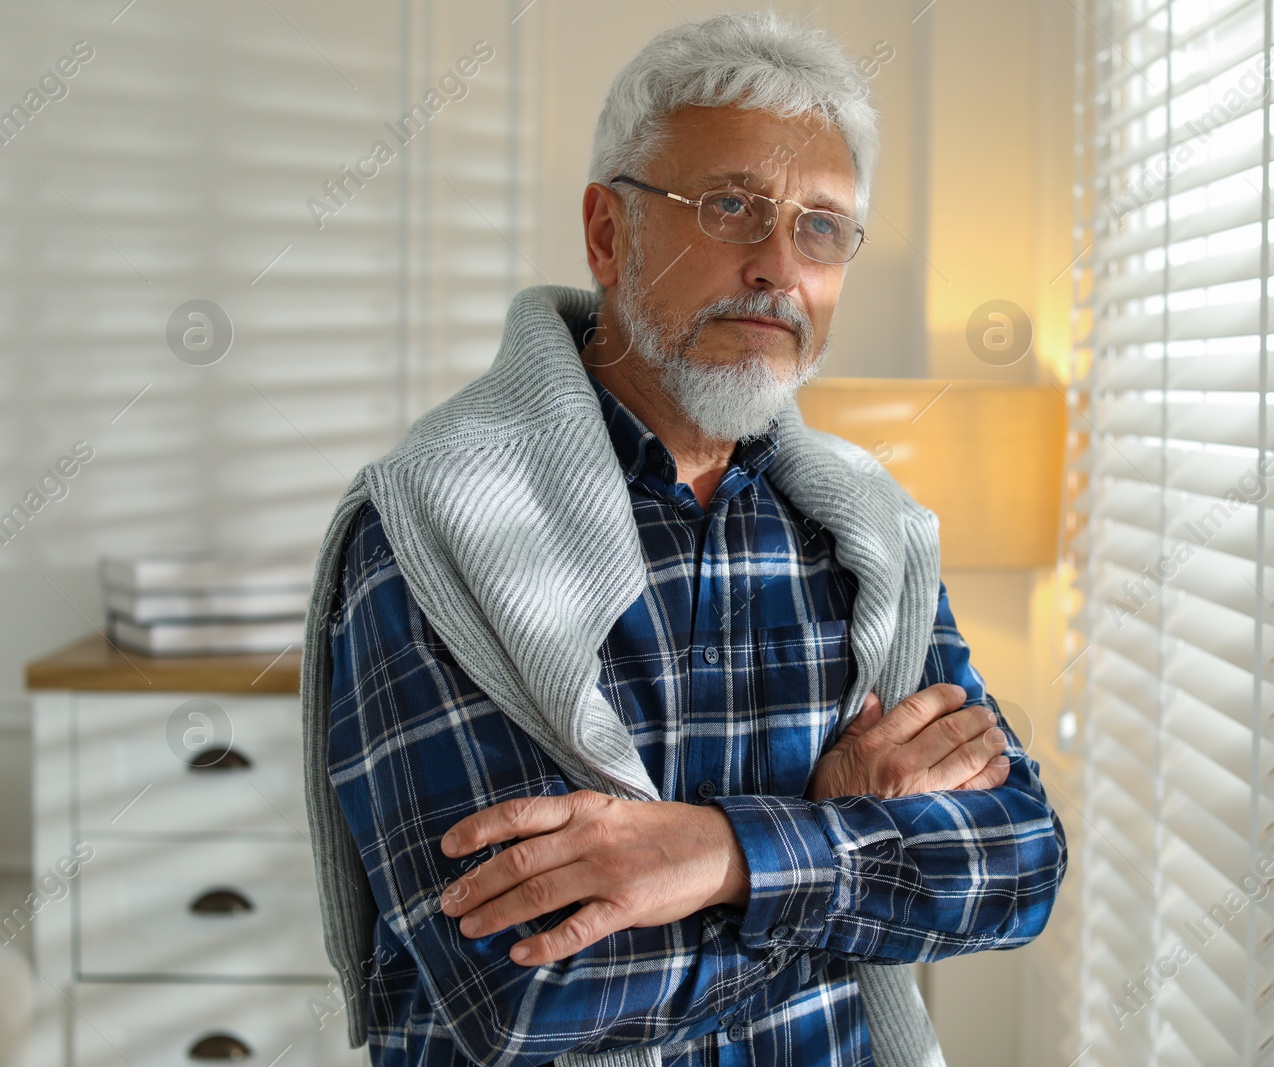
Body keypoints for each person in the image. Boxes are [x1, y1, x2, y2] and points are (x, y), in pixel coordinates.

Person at [303, 11, 1067, 1066]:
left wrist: (720, 856)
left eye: (819, 226)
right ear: (607, 234)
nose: (774, 266)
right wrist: (841, 833)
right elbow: (528, 991)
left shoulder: (871, 528)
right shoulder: (432, 524)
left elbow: (1019, 863)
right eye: (729, 207)